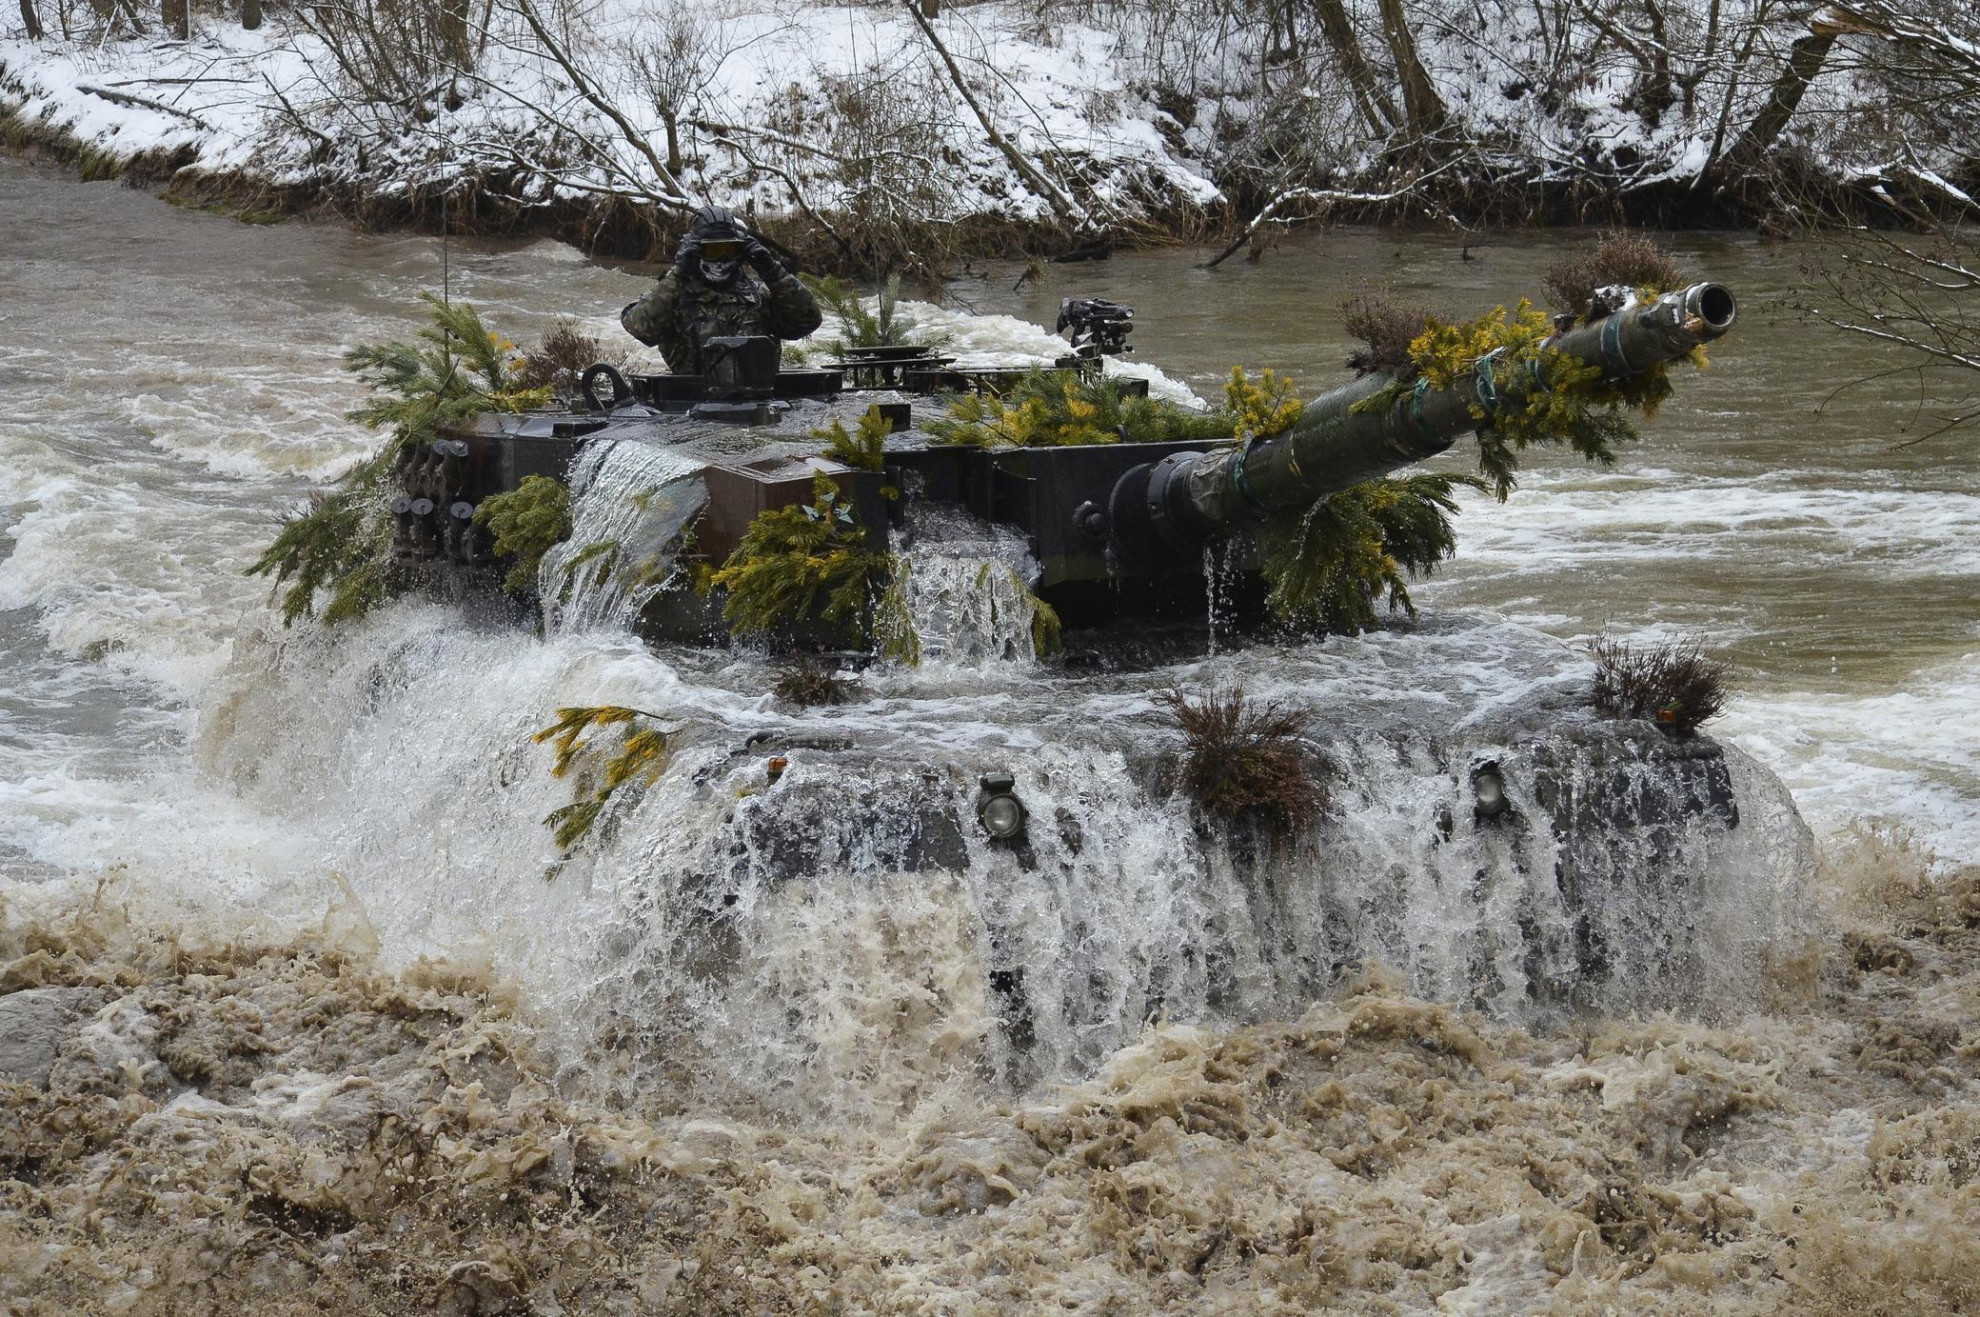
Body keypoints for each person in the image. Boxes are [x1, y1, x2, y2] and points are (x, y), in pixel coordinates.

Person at [620, 205, 822, 374]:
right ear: (696, 252)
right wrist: (678, 272)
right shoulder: (674, 297)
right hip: (691, 404)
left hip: (757, 400)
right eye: (713, 251)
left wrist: (772, 270)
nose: (721, 259)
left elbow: (807, 321)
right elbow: (642, 328)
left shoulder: (759, 297)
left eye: (729, 250)